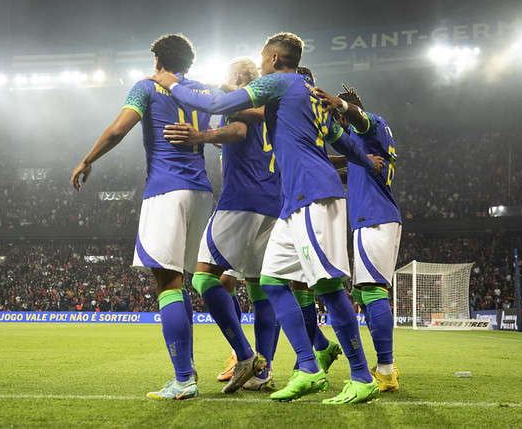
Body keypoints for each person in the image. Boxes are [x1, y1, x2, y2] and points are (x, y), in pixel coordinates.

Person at [152, 32, 384, 404]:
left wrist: (174, 84)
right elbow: (340, 138)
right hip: (288, 202)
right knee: (273, 282)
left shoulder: (279, 82)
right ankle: (308, 366)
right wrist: (364, 159)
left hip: (313, 195)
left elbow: (223, 103)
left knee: (326, 287)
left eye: (263, 58)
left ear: (275, 59)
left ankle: (361, 376)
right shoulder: (307, 94)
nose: (260, 64)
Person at [72, 34, 215, 400]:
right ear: (189, 64)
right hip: (202, 192)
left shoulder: (146, 87)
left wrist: (88, 159)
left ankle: (184, 380)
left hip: (166, 190)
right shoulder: (201, 90)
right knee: (180, 281)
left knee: (166, 284)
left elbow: (119, 128)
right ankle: (188, 371)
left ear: (157, 62)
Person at [163, 56, 279, 393]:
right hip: (272, 202)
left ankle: (245, 355)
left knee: (203, 277)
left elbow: (239, 127)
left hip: (243, 198)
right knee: (259, 290)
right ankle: (263, 372)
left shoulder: (243, 99)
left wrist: (200, 134)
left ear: (240, 76)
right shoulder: (271, 108)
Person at [315, 84, 402, 392]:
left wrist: (339, 104)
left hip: (374, 219)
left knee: (373, 290)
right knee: (366, 293)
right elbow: (347, 165)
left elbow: (361, 119)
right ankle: (385, 367)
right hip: (377, 218)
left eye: (339, 119)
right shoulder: (368, 145)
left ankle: (386, 371)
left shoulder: (370, 126)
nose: (338, 127)